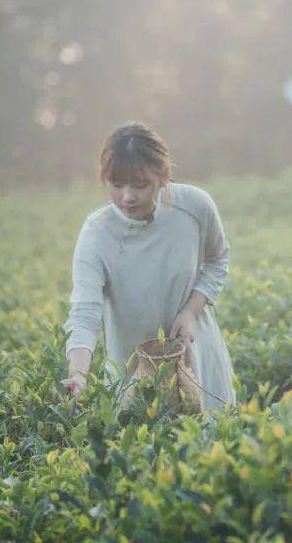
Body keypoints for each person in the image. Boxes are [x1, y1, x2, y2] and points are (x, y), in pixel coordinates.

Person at [60, 121, 236, 412]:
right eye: (116, 185)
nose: (127, 197)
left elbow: (218, 259)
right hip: (133, 370)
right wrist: (79, 375)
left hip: (197, 358)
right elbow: (84, 313)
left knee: (209, 446)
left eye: (141, 185)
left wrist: (191, 310)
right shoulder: (97, 233)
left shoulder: (194, 206)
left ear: (163, 175)